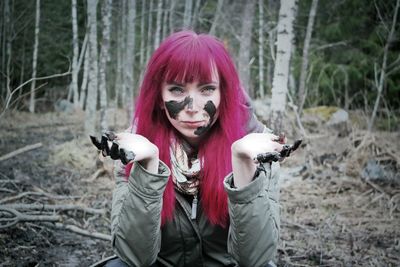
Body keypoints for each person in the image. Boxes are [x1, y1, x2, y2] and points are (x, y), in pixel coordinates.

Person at [91, 30, 286, 267]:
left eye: (206, 89)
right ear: (159, 98)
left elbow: (255, 259)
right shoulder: (134, 148)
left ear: (223, 93)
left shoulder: (256, 147)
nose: (192, 107)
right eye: (177, 89)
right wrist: (148, 166)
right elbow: (134, 257)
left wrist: (244, 166)